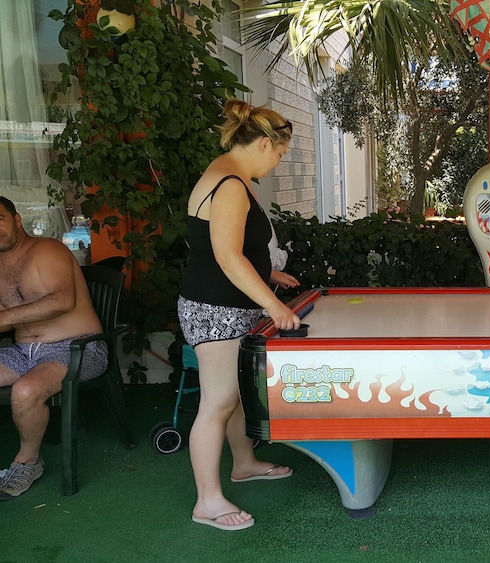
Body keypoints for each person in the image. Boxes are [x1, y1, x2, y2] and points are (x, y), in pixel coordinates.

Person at [177, 100, 301, 531]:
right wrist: (274, 304)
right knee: (217, 402)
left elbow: (231, 249)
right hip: (216, 309)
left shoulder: (231, 175)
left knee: (232, 397)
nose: (279, 162)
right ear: (264, 144)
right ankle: (207, 501)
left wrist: (270, 274)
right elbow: (227, 258)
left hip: (227, 304)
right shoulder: (229, 184)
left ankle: (244, 464)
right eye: (280, 153)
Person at [0, 196, 107, 500]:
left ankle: (28, 462)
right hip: (23, 353)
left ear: (16, 220)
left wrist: (4, 318)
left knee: (25, 391)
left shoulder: (47, 250)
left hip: (78, 348)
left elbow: (62, 301)